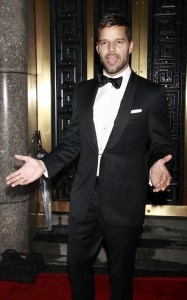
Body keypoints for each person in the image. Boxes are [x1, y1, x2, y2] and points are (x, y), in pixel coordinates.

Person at [6, 13, 174, 300]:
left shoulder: (150, 93)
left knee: (121, 275)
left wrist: (159, 161)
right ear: (97, 48)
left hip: (124, 199)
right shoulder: (83, 92)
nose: (111, 50)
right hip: (84, 197)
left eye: (118, 41)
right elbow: (72, 142)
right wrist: (45, 164)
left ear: (130, 45)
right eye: (104, 43)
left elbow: (160, 141)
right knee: (76, 265)